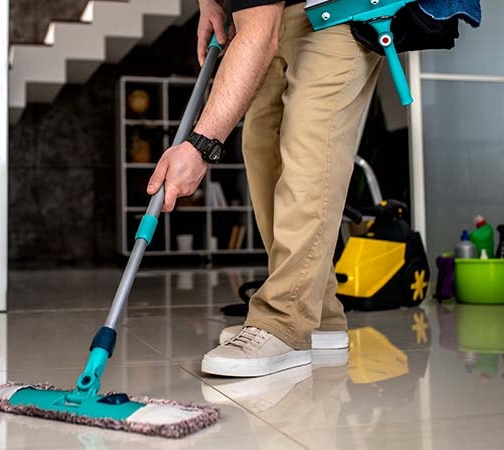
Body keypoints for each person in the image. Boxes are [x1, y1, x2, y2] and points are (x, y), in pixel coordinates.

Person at [147, 0, 381, 377]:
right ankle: (320, 314)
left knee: (309, 143)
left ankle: (284, 319)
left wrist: (200, 146)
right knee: (260, 141)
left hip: (340, 9)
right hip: (284, 9)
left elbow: (258, 34)